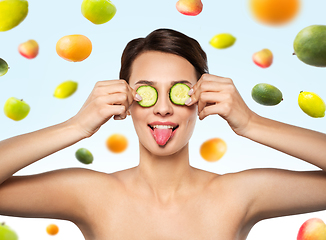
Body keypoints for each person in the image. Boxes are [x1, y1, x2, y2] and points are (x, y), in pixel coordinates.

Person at [0, 28, 326, 240]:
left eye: (179, 92)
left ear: (202, 100)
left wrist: (251, 123)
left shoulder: (238, 193)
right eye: (147, 93)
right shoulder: (91, 194)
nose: (164, 109)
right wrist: (76, 126)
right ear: (124, 102)